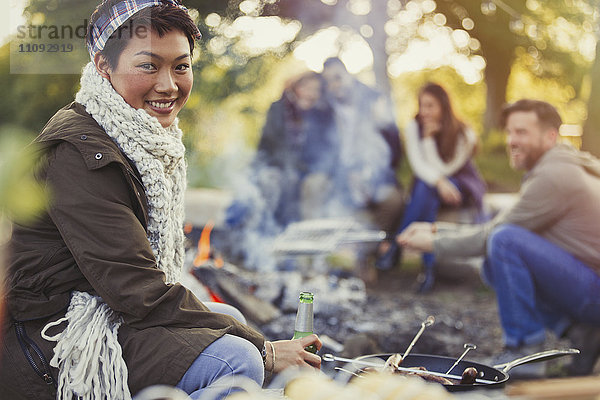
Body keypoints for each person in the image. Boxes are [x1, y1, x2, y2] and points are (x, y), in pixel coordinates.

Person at [0, 1, 321, 399]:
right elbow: (137, 290)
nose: (168, 85)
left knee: (231, 316)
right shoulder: (79, 155)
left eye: (181, 66)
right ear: (103, 65)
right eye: (149, 66)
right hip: (53, 342)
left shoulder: (134, 135)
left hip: (104, 310)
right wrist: (265, 348)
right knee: (236, 358)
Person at [397, 99, 600, 377]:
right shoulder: (562, 164)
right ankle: (584, 333)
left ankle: (525, 351)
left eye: (522, 132)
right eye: (510, 132)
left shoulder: (555, 176)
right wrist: (436, 229)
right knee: (495, 260)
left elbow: (497, 234)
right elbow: (501, 224)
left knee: (504, 243)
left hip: (595, 292)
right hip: (590, 285)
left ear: (550, 136)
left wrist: (434, 243)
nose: (511, 140)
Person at [376, 83, 486, 293]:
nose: (424, 112)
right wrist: (438, 182)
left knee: (426, 188)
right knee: (428, 192)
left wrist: (428, 142)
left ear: (444, 106)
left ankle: (396, 245)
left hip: (460, 185)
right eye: (421, 105)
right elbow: (418, 165)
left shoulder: (465, 134)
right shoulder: (413, 126)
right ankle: (429, 267)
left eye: (430, 106)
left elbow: (446, 169)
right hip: (432, 185)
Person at [321, 57, 405, 238]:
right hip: (340, 179)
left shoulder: (375, 100)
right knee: (336, 205)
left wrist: (370, 176)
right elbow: (322, 154)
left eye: (338, 77)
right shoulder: (324, 110)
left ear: (348, 74)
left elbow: (394, 151)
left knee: (393, 201)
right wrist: (347, 175)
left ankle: (376, 247)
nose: (334, 85)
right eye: (328, 81)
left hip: (377, 177)